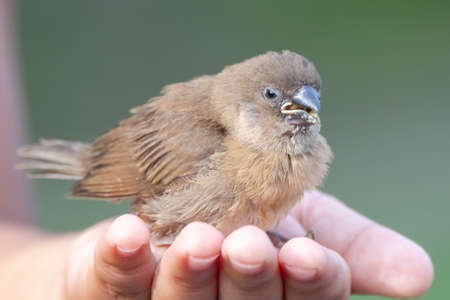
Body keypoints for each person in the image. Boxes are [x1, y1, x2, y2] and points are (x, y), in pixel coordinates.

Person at [0, 1, 433, 299]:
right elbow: (137, 180)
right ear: (246, 103)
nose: (302, 110)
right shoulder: (210, 136)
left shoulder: (305, 154)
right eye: (274, 97)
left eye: (308, 99)